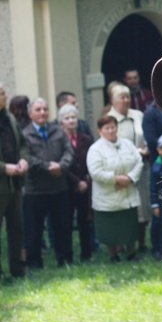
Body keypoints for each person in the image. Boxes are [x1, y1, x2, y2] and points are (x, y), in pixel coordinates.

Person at [22, 97, 74, 268]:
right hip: (35, 190)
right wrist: (47, 167)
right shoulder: (25, 134)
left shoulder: (58, 131)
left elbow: (69, 151)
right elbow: (26, 158)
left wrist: (61, 165)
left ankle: (65, 259)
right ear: (30, 114)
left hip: (59, 188)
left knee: (62, 227)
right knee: (34, 229)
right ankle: (34, 261)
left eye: (45, 109)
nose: (42, 112)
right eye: (38, 110)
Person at [87, 115, 143, 263]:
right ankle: (113, 255)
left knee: (129, 226)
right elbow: (96, 172)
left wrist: (129, 178)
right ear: (100, 131)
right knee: (109, 228)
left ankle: (131, 253)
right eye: (107, 128)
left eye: (113, 127)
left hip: (128, 192)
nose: (111, 131)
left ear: (117, 128)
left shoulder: (127, 144)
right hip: (108, 197)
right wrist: (116, 179)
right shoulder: (95, 149)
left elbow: (138, 162)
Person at [107, 84, 150, 253]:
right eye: (122, 98)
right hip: (121, 172)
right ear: (113, 101)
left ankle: (142, 243)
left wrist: (145, 149)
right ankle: (122, 244)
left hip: (141, 167)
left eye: (127, 97)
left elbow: (145, 135)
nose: (126, 100)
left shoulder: (138, 115)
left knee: (143, 206)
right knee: (124, 208)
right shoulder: (109, 118)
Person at [0, 82, 30, 278]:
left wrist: (23, 160)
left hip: (15, 185)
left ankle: (18, 270)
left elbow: (23, 144)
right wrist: (4, 168)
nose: (6, 95)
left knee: (17, 229)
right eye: (2, 93)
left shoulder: (9, 118)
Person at [58, 104, 93, 262]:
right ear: (61, 123)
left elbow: (91, 161)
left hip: (85, 186)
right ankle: (67, 256)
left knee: (84, 221)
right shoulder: (58, 140)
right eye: (67, 118)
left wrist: (85, 180)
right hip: (67, 186)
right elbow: (62, 165)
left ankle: (86, 254)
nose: (71, 121)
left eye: (73, 117)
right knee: (65, 222)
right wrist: (76, 182)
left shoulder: (85, 138)